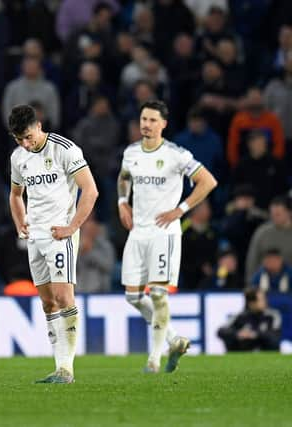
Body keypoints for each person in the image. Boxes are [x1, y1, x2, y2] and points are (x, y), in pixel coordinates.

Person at [117, 100, 217, 373]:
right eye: (143, 119)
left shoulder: (176, 154)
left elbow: (208, 181)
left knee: (159, 294)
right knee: (133, 297)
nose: (146, 125)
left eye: (152, 120)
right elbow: (124, 177)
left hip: (164, 232)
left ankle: (154, 359)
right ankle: (175, 339)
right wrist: (122, 201)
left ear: (163, 124)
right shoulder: (131, 152)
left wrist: (180, 210)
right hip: (138, 232)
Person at [8, 104, 98, 384]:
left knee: (63, 297)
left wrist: (72, 227)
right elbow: (15, 194)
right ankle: (59, 367)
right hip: (35, 237)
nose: (25, 143)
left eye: (27, 136)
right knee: (48, 303)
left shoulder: (64, 149)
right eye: (18, 139)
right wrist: (20, 221)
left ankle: (67, 369)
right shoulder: (18, 157)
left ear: (38, 125)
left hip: (60, 233)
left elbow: (90, 190)